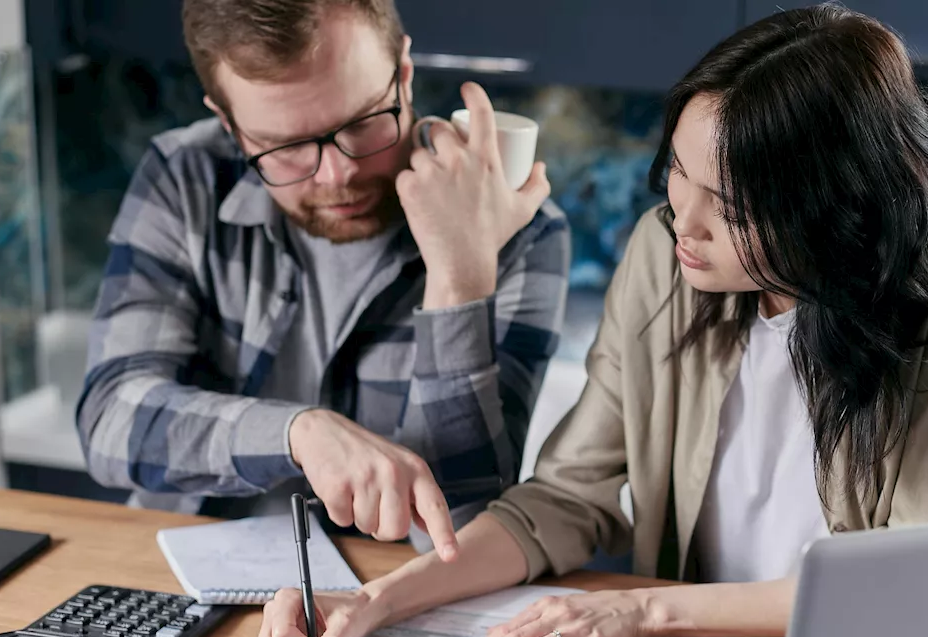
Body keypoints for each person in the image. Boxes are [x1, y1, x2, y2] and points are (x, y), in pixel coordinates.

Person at [256, 3, 928, 637]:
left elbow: (913, 585)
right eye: (678, 177)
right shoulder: (665, 257)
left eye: (728, 207)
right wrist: (376, 600)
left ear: (831, 208)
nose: (681, 223)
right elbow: (563, 498)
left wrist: (644, 609)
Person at [75, 0, 571, 558]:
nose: (340, 175)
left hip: (391, 595)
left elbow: (460, 530)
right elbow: (109, 422)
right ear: (228, 124)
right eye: (284, 147)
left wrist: (459, 279)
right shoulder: (184, 175)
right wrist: (298, 434)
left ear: (403, 75)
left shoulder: (517, 226)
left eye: (362, 124)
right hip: (188, 568)